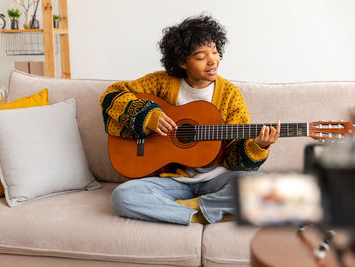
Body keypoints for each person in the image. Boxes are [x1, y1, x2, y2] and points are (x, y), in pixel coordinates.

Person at [99, 15, 280, 225]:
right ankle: (204, 213)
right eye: (201, 56)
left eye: (215, 52)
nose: (213, 60)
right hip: (169, 182)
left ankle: (190, 210)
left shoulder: (230, 94)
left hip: (216, 180)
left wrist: (258, 146)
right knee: (123, 196)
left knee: (263, 185)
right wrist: (148, 116)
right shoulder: (161, 82)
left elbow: (235, 159)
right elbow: (111, 95)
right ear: (182, 61)